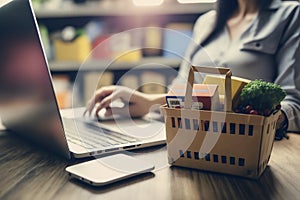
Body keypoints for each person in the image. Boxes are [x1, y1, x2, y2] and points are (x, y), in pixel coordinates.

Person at [85, 0, 300, 137]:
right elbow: (182, 90)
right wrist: (148, 102)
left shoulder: (290, 14)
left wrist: (251, 120)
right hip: (192, 141)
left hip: (248, 150)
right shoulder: (206, 22)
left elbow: (294, 106)